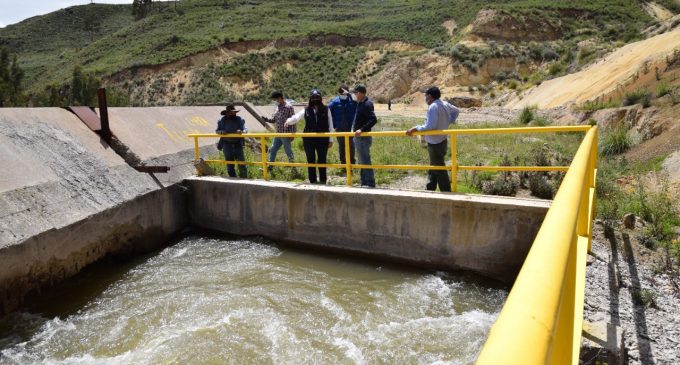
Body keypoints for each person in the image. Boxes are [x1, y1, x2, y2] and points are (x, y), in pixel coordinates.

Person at [406, 86, 460, 192]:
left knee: (439, 167)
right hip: (442, 140)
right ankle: (430, 187)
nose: (425, 98)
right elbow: (456, 111)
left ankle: (446, 191)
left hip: (435, 143)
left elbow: (430, 126)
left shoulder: (433, 107)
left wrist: (416, 128)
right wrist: (449, 121)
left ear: (430, 96)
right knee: (434, 164)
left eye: (426, 96)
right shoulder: (445, 104)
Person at [285, 89, 333, 184]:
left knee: (322, 160)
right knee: (310, 160)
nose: (315, 99)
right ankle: (313, 181)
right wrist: (288, 121)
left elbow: (330, 124)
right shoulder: (306, 109)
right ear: (310, 99)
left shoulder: (326, 109)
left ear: (320, 98)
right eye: (313, 98)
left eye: (317, 97)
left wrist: (330, 140)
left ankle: (323, 180)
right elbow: (296, 117)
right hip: (309, 140)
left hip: (323, 139)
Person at [351, 84, 377, 188]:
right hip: (359, 137)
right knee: (362, 159)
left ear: (361, 93)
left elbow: (373, 119)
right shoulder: (360, 103)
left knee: (365, 159)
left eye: (356, 93)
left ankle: (370, 182)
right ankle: (364, 181)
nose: (355, 95)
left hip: (363, 137)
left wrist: (361, 129)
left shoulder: (366, 104)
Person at [327, 84, 357, 170]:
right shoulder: (335, 102)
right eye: (342, 92)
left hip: (350, 128)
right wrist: (334, 125)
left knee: (351, 146)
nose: (343, 94)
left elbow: (357, 100)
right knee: (342, 146)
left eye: (345, 92)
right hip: (339, 129)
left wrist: (349, 94)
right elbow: (328, 112)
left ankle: (352, 163)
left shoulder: (352, 100)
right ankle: (343, 164)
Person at [265, 91, 296, 170]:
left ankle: (293, 168)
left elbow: (293, 120)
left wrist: (293, 133)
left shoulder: (289, 107)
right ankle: (270, 167)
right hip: (278, 133)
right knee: (273, 149)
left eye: (276, 99)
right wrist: (267, 120)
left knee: (288, 151)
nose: (276, 101)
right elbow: (274, 119)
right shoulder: (277, 107)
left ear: (280, 97)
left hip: (286, 134)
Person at [216, 105, 248, 178]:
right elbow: (217, 131)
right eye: (231, 113)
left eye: (234, 112)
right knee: (230, 165)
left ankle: (244, 179)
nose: (233, 114)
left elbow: (245, 129)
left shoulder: (239, 119)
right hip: (227, 145)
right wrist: (221, 132)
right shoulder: (222, 120)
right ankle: (233, 179)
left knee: (241, 164)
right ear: (227, 113)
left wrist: (241, 131)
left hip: (238, 145)